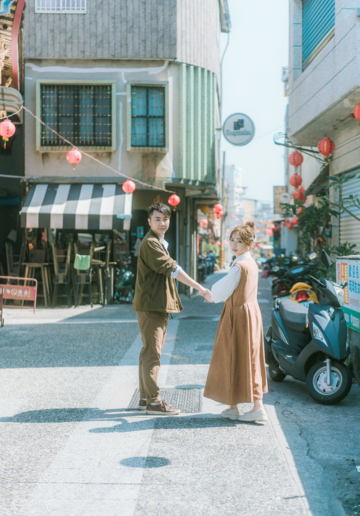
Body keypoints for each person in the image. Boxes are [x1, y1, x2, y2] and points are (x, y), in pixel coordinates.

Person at [133, 203, 211, 416]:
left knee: (148, 351)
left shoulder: (157, 241)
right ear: (149, 221)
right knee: (152, 353)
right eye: (157, 219)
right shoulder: (151, 243)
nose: (162, 223)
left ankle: (144, 398)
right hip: (152, 305)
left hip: (154, 304)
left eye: (165, 219)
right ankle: (154, 402)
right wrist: (200, 288)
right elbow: (173, 269)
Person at [203, 222, 268, 423]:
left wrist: (209, 294)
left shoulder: (239, 266)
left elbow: (220, 292)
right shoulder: (251, 262)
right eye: (232, 239)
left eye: (239, 241)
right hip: (250, 313)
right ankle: (240, 406)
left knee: (231, 356)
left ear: (249, 244)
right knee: (250, 358)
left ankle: (250, 407)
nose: (234, 244)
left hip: (237, 314)